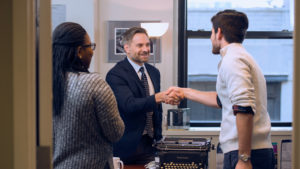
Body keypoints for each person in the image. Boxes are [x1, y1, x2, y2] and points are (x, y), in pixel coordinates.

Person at [167, 10, 275, 169]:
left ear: (218, 32)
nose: (210, 38)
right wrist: (184, 92)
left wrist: (244, 159)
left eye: (211, 33)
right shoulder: (241, 56)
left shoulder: (233, 60)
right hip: (252, 151)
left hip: (246, 152)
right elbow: (222, 100)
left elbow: (244, 107)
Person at [52, 22, 125, 169]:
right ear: (79, 51)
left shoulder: (44, 84)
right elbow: (116, 132)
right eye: (90, 46)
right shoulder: (94, 83)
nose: (92, 52)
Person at [106, 27, 179, 165]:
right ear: (127, 48)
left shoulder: (154, 72)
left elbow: (155, 107)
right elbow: (129, 105)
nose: (146, 49)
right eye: (140, 45)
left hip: (151, 144)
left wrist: (159, 136)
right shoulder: (116, 74)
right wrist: (159, 97)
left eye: (147, 45)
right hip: (128, 146)